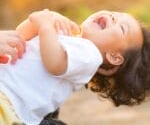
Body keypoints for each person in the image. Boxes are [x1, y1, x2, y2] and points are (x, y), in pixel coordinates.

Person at [0, 9, 149, 125]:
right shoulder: (68, 37)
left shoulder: (90, 55)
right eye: (114, 14)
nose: (113, 18)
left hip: (11, 100)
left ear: (114, 57)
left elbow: (55, 64)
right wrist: (42, 19)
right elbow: (20, 37)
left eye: (122, 28)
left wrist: (45, 27)